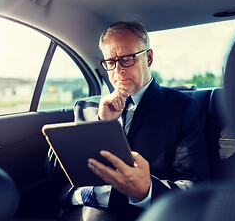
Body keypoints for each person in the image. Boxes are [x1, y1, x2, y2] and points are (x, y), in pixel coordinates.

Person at [52, 21, 209, 221]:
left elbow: (195, 187)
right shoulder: (85, 107)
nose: (118, 70)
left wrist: (146, 190)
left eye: (127, 59)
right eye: (111, 62)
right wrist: (100, 124)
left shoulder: (181, 107)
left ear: (149, 58)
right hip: (73, 209)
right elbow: (56, 169)